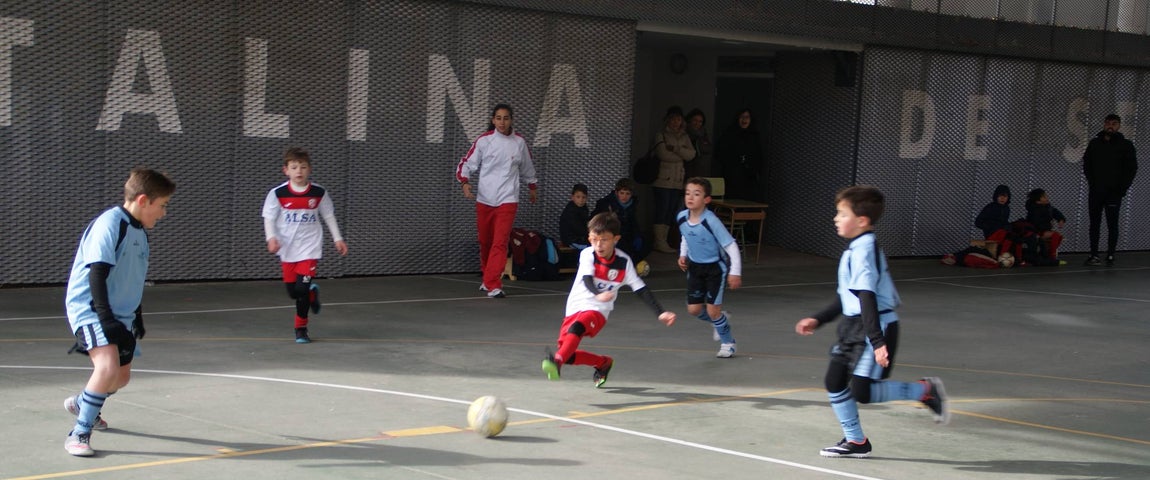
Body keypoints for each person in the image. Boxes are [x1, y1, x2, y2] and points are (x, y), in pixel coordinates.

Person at [794, 185, 949, 458]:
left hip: (875, 326)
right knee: (835, 381)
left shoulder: (864, 249)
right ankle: (856, 441)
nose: (835, 218)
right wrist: (819, 319)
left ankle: (924, 390)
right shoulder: (854, 249)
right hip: (854, 325)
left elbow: (867, 296)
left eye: (842, 214)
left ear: (862, 221)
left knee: (862, 391)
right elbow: (848, 298)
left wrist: (877, 341)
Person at [62, 168, 176, 456]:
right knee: (107, 367)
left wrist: (135, 316)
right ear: (142, 200)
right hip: (91, 307)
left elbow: (132, 278)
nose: (163, 213)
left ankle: (83, 402)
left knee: (121, 378)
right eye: (162, 205)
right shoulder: (111, 224)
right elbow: (97, 274)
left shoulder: (140, 233)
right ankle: (79, 432)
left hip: (119, 314)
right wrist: (106, 318)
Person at [541, 212, 676, 387]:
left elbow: (641, 289)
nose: (598, 244)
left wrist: (661, 312)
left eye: (604, 239)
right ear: (590, 238)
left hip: (598, 310)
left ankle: (556, 362)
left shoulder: (623, 262)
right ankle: (603, 363)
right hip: (575, 307)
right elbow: (587, 279)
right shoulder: (587, 255)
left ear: (616, 239)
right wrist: (597, 293)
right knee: (570, 355)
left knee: (577, 329)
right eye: (595, 239)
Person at [262, 147, 349, 343]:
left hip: (310, 247)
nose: (299, 171)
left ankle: (301, 329)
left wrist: (337, 238)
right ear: (286, 170)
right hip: (287, 248)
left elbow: (328, 215)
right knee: (294, 292)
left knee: (301, 290)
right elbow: (269, 217)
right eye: (294, 167)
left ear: (309, 169)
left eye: (303, 167)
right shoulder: (278, 193)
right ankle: (312, 292)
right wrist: (271, 238)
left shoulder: (319, 193)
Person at [456, 103, 539, 298]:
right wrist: (464, 182)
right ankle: (488, 278)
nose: (502, 122)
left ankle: (494, 284)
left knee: (500, 242)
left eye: (506, 118)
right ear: (493, 120)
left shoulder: (519, 142)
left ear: (511, 120)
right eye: (498, 118)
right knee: (485, 241)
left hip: (508, 199)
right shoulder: (484, 141)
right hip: (485, 198)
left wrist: (532, 186)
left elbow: (527, 167)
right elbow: (467, 163)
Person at [676, 177, 742, 358]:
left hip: (714, 268)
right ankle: (720, 320)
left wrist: (735, 272)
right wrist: (683, 254)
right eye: (688, 193)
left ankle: (728, 342)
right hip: (695, 268)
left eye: (696, 194)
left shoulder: (711, 221)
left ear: (706, 200)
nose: (690, 197)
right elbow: (685, 236)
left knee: (713, 310)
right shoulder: (681, 217)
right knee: (694, 310)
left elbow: (731, 245)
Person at [1082, 114, 1138, 266]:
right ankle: (1094, 254)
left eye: (1114, 123)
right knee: (1094, 223)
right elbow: (1087, 164)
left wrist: (1122, 188)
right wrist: (1092, 182)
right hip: (1096, 191)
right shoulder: (1094, 143)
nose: (1110, 126)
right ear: (1104, 124)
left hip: (1114, 192)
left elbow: (1131, 169)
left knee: (1112, 223)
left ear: (1119, 125)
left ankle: (1111, 254)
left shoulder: (1126, 145)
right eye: (1107, 123)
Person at [651, 106, 696, 254]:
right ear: (668, 119)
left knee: (671, 211)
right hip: (663, 179)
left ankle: (665, 240)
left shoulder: (684, 136)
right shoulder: (661, 134)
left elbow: (691, 155)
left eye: (679, 119)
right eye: (673, 118)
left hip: (678, 180)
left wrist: (676, 149)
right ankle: (659, 241)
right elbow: (664, 154)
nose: (676, 122)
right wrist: (681, 154)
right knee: (661, 210)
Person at [592, 178, 650, 276]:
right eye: (622, 193)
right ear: (616, 193)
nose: (624, 197)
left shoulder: (633, 205)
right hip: (610, 235)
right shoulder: (606, 204)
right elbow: (597, 222)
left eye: (627, 194)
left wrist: (637, 235)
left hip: (626, 235)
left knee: (645, 243)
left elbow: (633, 223)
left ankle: (631, 265)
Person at [715, 108, 765, 201]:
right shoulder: (729, 134)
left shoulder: (754, 136)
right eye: (742, 117)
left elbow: (758, 158)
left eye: (747, 117)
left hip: (749, 179)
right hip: (732, 177)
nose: (744, 120)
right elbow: (720, 154)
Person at [974, 185, 1015, 259]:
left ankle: (1013, 257)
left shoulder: (1006, 209)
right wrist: (990, 227)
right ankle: (1002, 256)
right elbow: (978, 222)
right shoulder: (990, 207)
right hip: (991, 233)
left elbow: (1004, 222)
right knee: (1007, 235)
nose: (1002, 198)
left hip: (1002, 232)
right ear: (996, 196)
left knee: (1013, 235)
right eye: (1000, 196)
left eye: (1005, 196)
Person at [1024, 188, 1066, 261]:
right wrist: (1045, 230)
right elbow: (1036, 223)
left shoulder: (1048, 207)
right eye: (1044, 197)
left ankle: (1047, 253)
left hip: (1045, 230)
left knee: (1059, 237)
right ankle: (1052, 256)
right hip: (1037, 231)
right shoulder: (1034, 210)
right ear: (1038, 201)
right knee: (1055, 235)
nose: (1047, 198)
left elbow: (1056, 212)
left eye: (1046, 196)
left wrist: (1061, 219)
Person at [559, 183, 590, 250]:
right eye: (578, 197)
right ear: (572, 197)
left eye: (583, 197)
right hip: (571, 240)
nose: (581, 200)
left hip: (581, 239)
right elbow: (579, 229)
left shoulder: (584, 208)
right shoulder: (570, 211)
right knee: (591, 249)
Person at [685, 108, 713, 179]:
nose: (697, 123)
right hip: (686, 170)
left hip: (702, 171)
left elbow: (708, 149)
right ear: (690, 120)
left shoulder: (704, 135)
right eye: (695, 120)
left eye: (700, 121)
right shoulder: (684, 134)